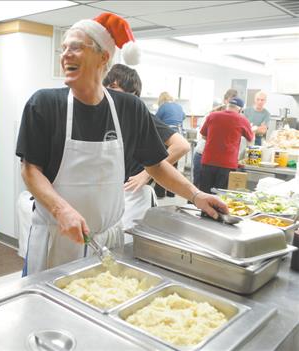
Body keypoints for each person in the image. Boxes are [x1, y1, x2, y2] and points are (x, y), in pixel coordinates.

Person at [16, 12, 227, 276]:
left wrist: (196, 196)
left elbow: (156, 165)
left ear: (104, 57)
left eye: (77, 47)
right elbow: (30, 170)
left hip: (108, 240)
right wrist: (61, 210)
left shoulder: (129, 108)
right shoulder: (45, 104)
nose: (66, 54)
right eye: (64, 48)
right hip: (57, 237)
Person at [102, 64, 190, 230]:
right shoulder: (105, 116)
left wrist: (146, 174)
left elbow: (181, 146)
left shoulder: (140, 117)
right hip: (107, 196)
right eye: (107, 86)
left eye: (114, 87)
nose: (108, 91)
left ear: (133, 94)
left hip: (132, 196)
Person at [199, 97, 254, 193]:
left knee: (204, 194)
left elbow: (203, 136)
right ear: (240, 109)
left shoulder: (212, 116)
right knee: (220, 195)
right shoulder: (242, 119)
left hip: (208, 161)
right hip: (227, 164)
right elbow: (251, 140)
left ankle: (204, 209)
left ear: (227, 106)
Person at [193, 88, 238, 188]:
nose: (232, 107)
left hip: (217, 161)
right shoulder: (211, 115)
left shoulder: (235, 119)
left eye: (235, 105)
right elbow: (203, 137)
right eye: (230, 103)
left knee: (214, 194)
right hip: (203, 157)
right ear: (225, 101)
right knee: (198, 190)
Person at [154, 91, 186, 198]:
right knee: (173, 163)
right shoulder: (178, 106)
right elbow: (183, 117)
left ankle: (160, 192)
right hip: (179, 135)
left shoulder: (163, 106)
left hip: (168, 135)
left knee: (163, 163)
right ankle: (171, 193)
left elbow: (155, 120)